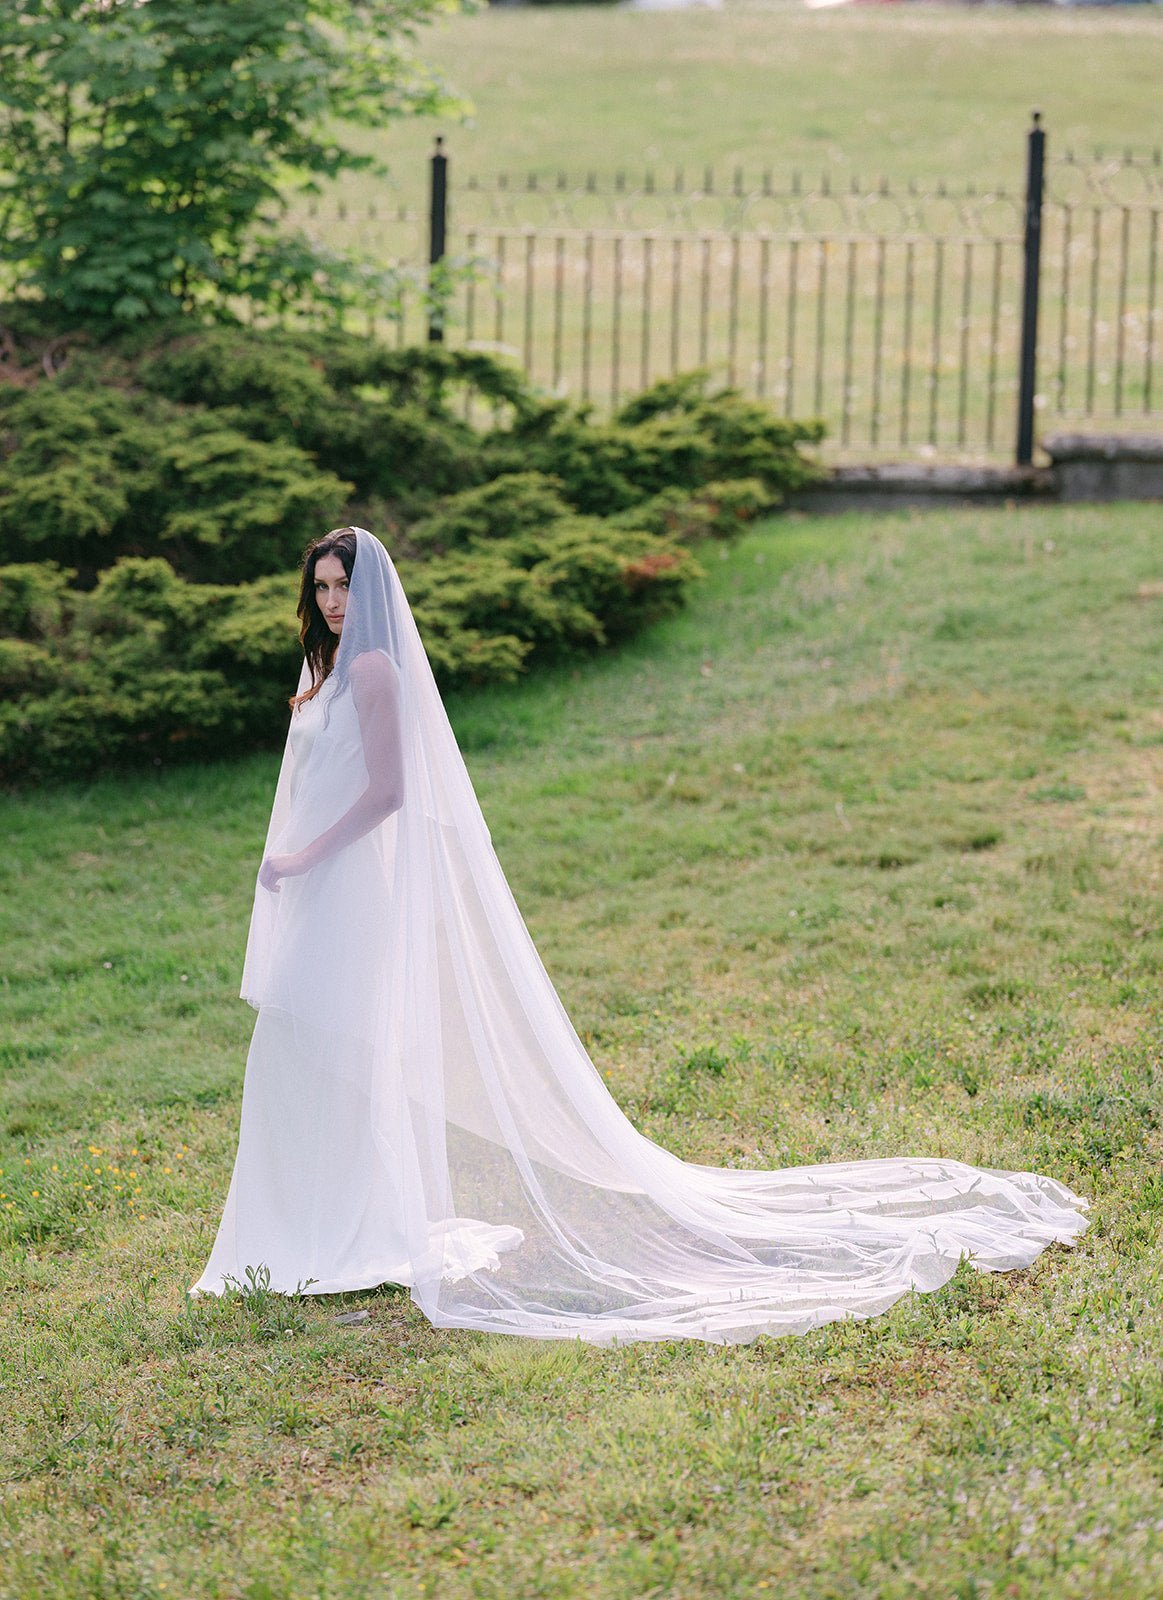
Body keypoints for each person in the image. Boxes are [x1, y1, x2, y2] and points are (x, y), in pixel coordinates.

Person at [193, 527, 1089, 1343]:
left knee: (327, 1049)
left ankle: (347, 1228)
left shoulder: (377, 672)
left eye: (344, 584)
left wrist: (303, 854)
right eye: (320, 588)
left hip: (343, 886)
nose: (333, 601)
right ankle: (322, 1220)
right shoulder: (331, 674)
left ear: (371, 590)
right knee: (309, 1054)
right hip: (317, 887)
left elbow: (388, 791)